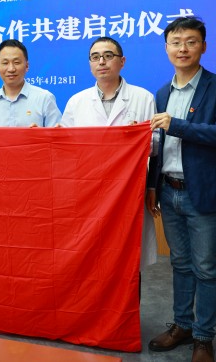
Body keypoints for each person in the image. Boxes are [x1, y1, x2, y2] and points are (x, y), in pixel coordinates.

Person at [148, 17, 216, 362]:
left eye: (190, 41)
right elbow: (157, 146)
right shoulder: (162, 93)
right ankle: (182, 325)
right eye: (176, 42)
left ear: (203, 46)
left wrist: (178, 125)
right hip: (168, 191)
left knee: (206, 268)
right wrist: (152, 185)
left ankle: (203, 337)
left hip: (203, 193)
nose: (182, 48)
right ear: (166, 48)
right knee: (181, 264)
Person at [60, 36, 158, 271]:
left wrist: (136, 139)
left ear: (122, 61)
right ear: (90, 64)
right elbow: (65, 146)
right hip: (88, 191)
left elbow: (155, 145)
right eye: (95, 57)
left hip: (127, 190)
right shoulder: (77, 101)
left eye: (108, 56)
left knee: (127, 260)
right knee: (92, 258)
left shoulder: (143, 97)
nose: (102, 62)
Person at [0, 39, 61, 127]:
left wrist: (40, 134)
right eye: (5, 63)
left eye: (16, 62)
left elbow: (57, 134)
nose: (11, 69)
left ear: (27, 66)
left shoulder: (44, 98)